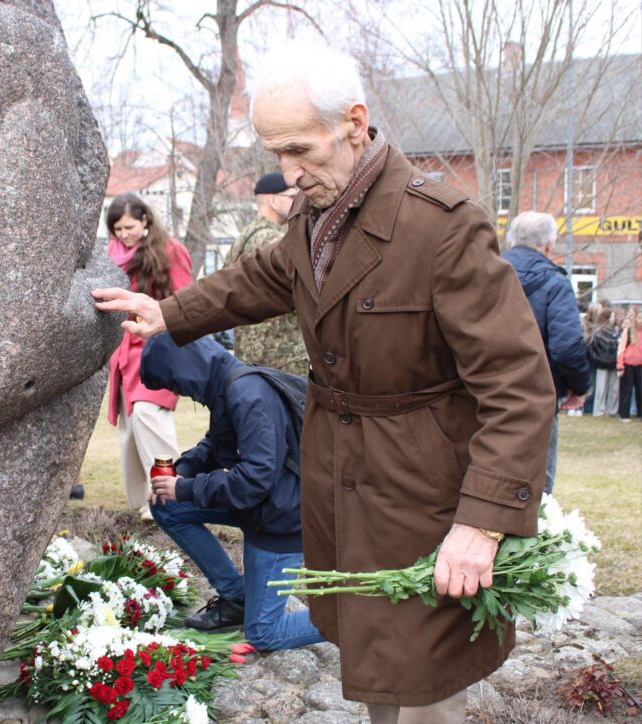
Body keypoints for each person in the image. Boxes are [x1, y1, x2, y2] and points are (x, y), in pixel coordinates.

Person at [93, 42, 554, 722]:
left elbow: (518, 385)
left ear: (356, 123)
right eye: (275, 153)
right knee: (374, 658)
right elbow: (265, 277)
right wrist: (167, 312)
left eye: (299, 150)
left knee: (424, 674)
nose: (287, 173)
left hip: (421, 487)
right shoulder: (320, 212)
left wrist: (482, 523)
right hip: (344, 477)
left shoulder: (443, 228)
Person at [140, 332, 324, 650]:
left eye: (175, 384)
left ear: (185, 370)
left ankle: (357, 615)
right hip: (261, 506)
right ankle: (237, 597)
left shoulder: (247, 393)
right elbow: (216, 443)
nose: (179, 393)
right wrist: (180, 473)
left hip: (282, 519)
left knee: (264, 633)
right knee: (166, 505)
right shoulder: (227, 385)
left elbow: (255, 478)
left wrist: (186, 488)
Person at [104, 193, 193, 521]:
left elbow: (186, 300)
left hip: (158, 349)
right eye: (117, 229)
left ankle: (172, 496)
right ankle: (147, 502)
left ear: (145, 221)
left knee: (148, 415)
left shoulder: (169, 251)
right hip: (125, 354)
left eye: (128, 226)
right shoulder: (112, 257)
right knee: (130, 428)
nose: (123, 234)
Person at [502, 212, 591, 493]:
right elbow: (567, 347)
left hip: (480, 391)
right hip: (536, 394)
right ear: (549, 245)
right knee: (537, 484)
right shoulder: (555, 283)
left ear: (511, 240)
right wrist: (579, 387)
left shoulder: (483, 273)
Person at [223, 173, 309, 374]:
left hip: (249, 356)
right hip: (283, 355)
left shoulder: (242, 239)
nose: (298, 203)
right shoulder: (274, 240)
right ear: (272, 200)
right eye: (291, 197)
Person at [585, 304, 620, 416]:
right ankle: (598, 410)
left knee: (614, 389)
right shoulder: (598, 332)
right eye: (612, 316)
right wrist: (598, 359)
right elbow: (592, 347)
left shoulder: (617, 331)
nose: (614, 319)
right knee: (600, 389)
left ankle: (612, 410)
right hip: (602, 363)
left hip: (614, 363)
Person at [617, 307, 642, 421]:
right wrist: (620, 366)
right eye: (639, 317)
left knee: (640, 389)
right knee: (626, 390)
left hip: (640, 364)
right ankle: (624, 414)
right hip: (628, 364)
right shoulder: (628, 331)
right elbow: (621, 349)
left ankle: (640, 413)